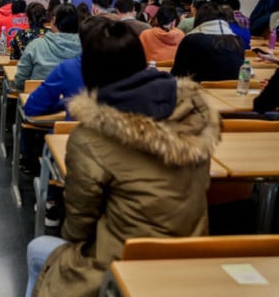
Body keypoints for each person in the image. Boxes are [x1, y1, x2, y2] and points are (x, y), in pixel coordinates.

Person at [26, 16, 221, 297]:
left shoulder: (92, 137)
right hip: (187, 254)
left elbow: (77, 228)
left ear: (90, 70)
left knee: (38, 250)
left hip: (122, 263)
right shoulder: (193, 114)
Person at [14, 3, 82, 91]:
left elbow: (20, 82)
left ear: (54, 20)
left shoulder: (35, 46)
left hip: (40, 101)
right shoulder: (88, 48)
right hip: (75, 102)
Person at [171, 2, 245, 82]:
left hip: (200, 92)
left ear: (199, 18)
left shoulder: (190, 39)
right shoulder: (238, 40)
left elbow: (178, 74)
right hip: (232, 92)